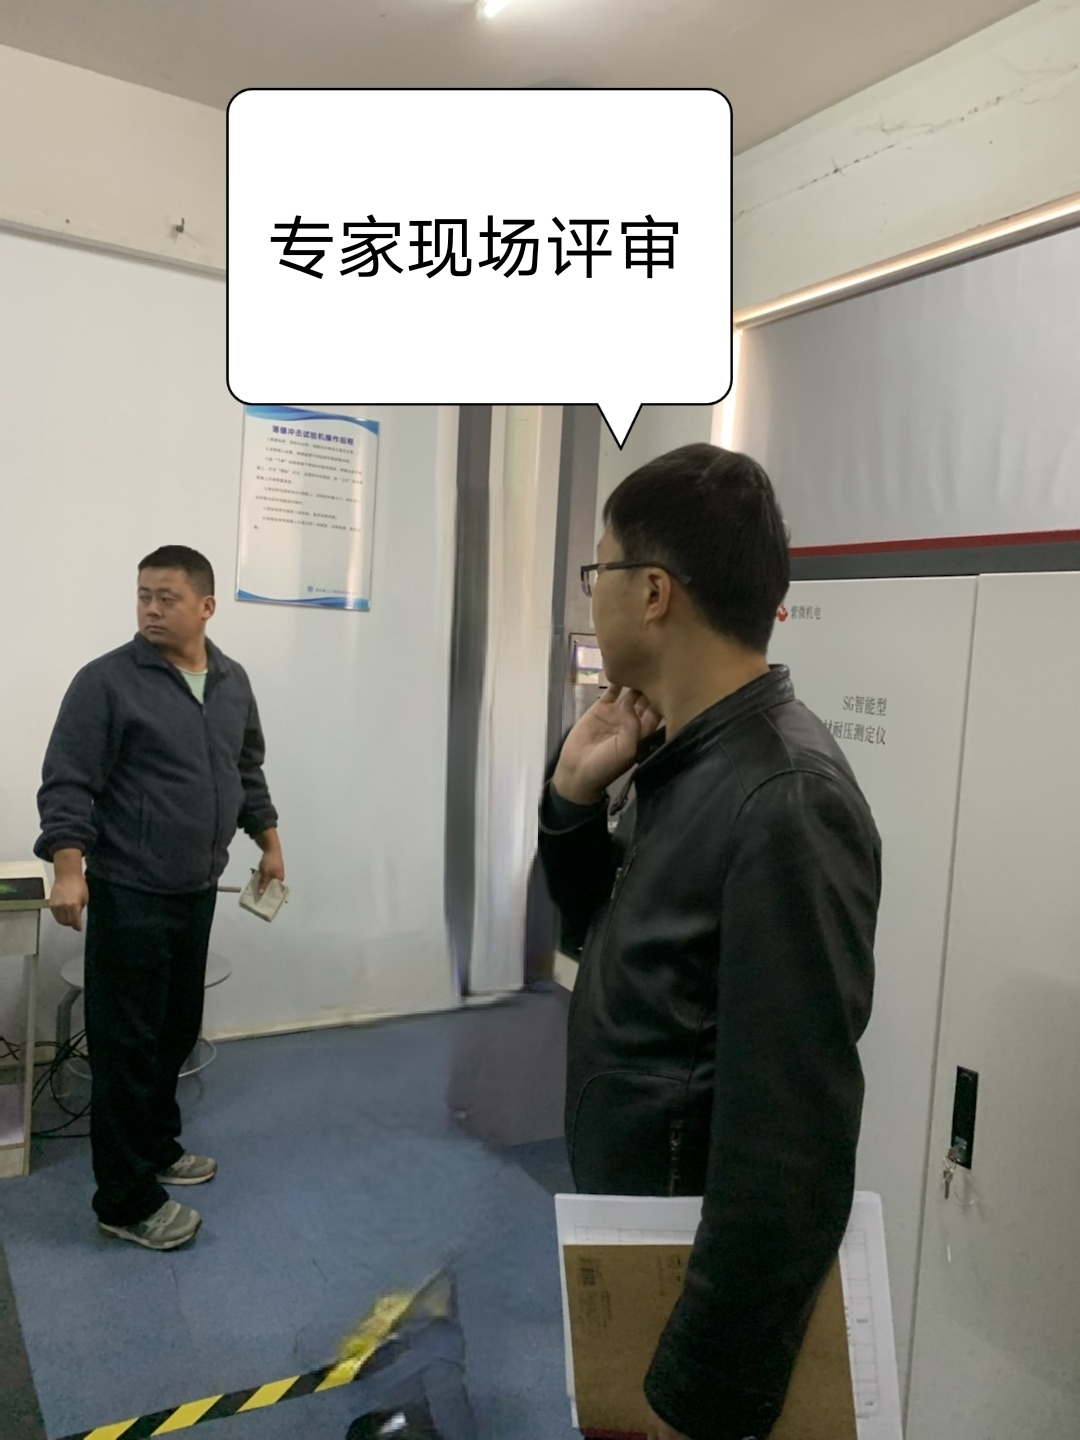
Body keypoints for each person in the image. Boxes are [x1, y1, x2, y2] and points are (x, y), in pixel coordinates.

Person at [537, 445, 881, 1440]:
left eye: (598, 569)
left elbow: (792, 1146)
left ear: (653, 593)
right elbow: (600, 933)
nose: (594, 591)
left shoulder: (784, 797)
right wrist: (574, 798)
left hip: (685, 1264)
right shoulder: (682, 752)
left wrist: (700, 1393)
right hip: (640, 1213)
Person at [36, 545, 284, 1251]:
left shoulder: (231, 682)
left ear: (206, 606)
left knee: (175, 1030)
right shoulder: (107, 681)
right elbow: (67, 781)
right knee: (126, 1047)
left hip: (196, 890)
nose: (150, 608)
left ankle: (157, 1146)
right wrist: (69, 867)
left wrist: (268, 840)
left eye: (166, 597)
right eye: (143, 595)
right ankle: (124, 1200)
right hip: (129, 891)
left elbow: (245, 769)